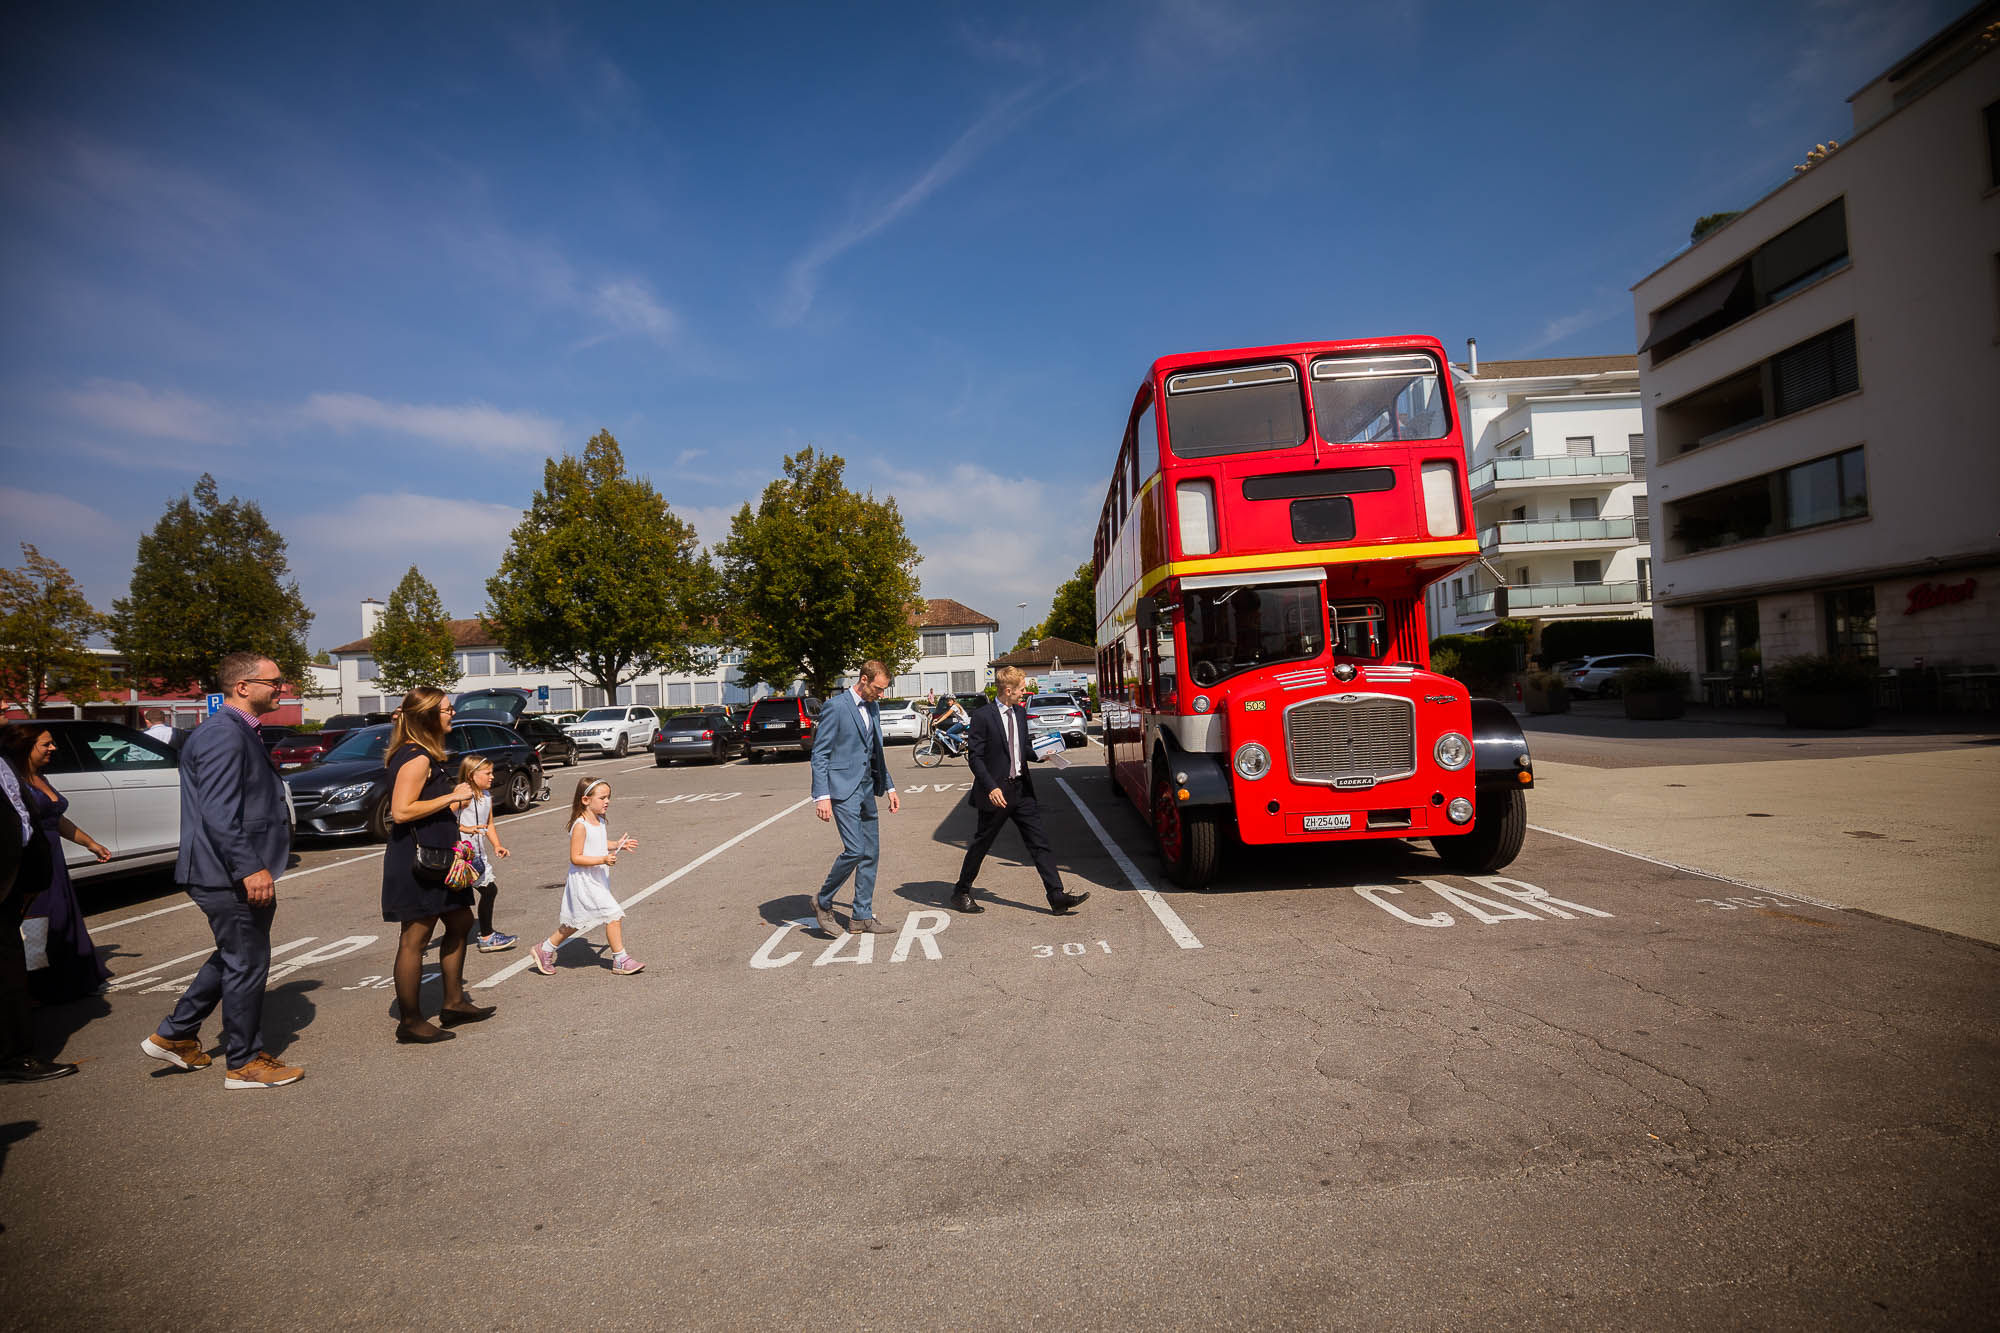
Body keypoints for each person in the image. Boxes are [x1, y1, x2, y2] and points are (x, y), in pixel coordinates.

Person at [140, 652, 303, 1088]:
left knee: (236, 955)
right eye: (275, 682)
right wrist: (250, 867)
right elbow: (218, 812)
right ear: (243, 687)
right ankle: (244, 1063)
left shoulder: (235, 731)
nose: (281, 688)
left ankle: (175, 1033)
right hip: (225, 872)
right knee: (248, 961)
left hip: (226, 869)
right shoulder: (223, 735)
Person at [379, 687, 489, 1042]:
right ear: (427, 716)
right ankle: (410, 1021)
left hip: (443, 859)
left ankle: (454, 1003)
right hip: (419, 861)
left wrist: (450, 810)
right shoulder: (417, 757)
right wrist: (452, 795)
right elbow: (401, 811)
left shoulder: (426, 754)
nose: (452, 713)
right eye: (446, 709)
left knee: (460, 920)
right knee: (415, 936)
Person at [951, 665, 1090, 917]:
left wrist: (1043, 754)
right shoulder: (983, 716)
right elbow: (976, 758)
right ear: (1007, 690)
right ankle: (961, 891)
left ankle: (1056, 896)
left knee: (1040, 843)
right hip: (997, 793)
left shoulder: (1020, 712)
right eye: (1022, 689)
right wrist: (990, 786)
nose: (1025, 693)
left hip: (1022, 790)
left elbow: (1022, 749)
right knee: (982, 844)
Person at [1, 725, 114, 1004]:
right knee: (38, 923)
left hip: (54, 858)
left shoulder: (40, 778)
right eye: (46, 745)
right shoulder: (14, 783)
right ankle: (34, 989)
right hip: (33, 861)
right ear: (26, 748)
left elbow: (58, 820)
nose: (53, 749)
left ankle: (67, 981)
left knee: (62, 918)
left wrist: (90, 843)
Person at [810, 661, 899, 935]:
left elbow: (875, 751)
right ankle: (822, 901)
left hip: (866, 787)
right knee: (855, 850)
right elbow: (820, 754)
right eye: (878, 688)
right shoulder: (836, 707)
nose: (881, 695)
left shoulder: (872, 706)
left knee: (871, 853)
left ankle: (861, 916)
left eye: (884, 690)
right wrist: (821, 796)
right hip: (841, 789)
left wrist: (890, 787)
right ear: (863, 679)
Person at [0, 740, 72, 1081]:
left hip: (14, 880)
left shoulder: (7, 761)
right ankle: (13, 1057)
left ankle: (13, 1052)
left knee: (11, 967)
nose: (3, 709)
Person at [528, 777, 643, 976]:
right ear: (585, 800)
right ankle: (620, 959)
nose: (607, 801)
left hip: (597, 878)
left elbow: (598, 842)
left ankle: (545, 949)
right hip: (584, 879)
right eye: (602, 797)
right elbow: (576, 857)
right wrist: (603, 860)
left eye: (609, 797)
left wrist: (616, 845)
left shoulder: (598, 819)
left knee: (575, 921)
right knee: (613, 914)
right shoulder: (580, 825)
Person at [456, 757, 518, 953]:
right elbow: (445, 821)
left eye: (492, 772)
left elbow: (489, 822)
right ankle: (486, 936)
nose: (492, 776)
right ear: (471, 775)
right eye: (487, 773)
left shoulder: (486, 796)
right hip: (461, 854)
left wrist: (497, 845)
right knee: (486, 891)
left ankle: (486, 936)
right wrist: (466, 828)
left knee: (483, 892)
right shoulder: (462, 795)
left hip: (477, 853)